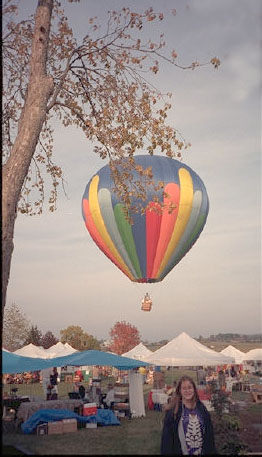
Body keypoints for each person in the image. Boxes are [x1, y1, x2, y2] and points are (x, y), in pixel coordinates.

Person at [161, 375, 216, 455]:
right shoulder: (173, 412)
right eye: (184, 388)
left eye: (189, 388)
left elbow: (209, 434)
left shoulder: (201, 409)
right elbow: (166, 440)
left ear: (194, 389)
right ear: (179, 390)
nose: (187, 391)